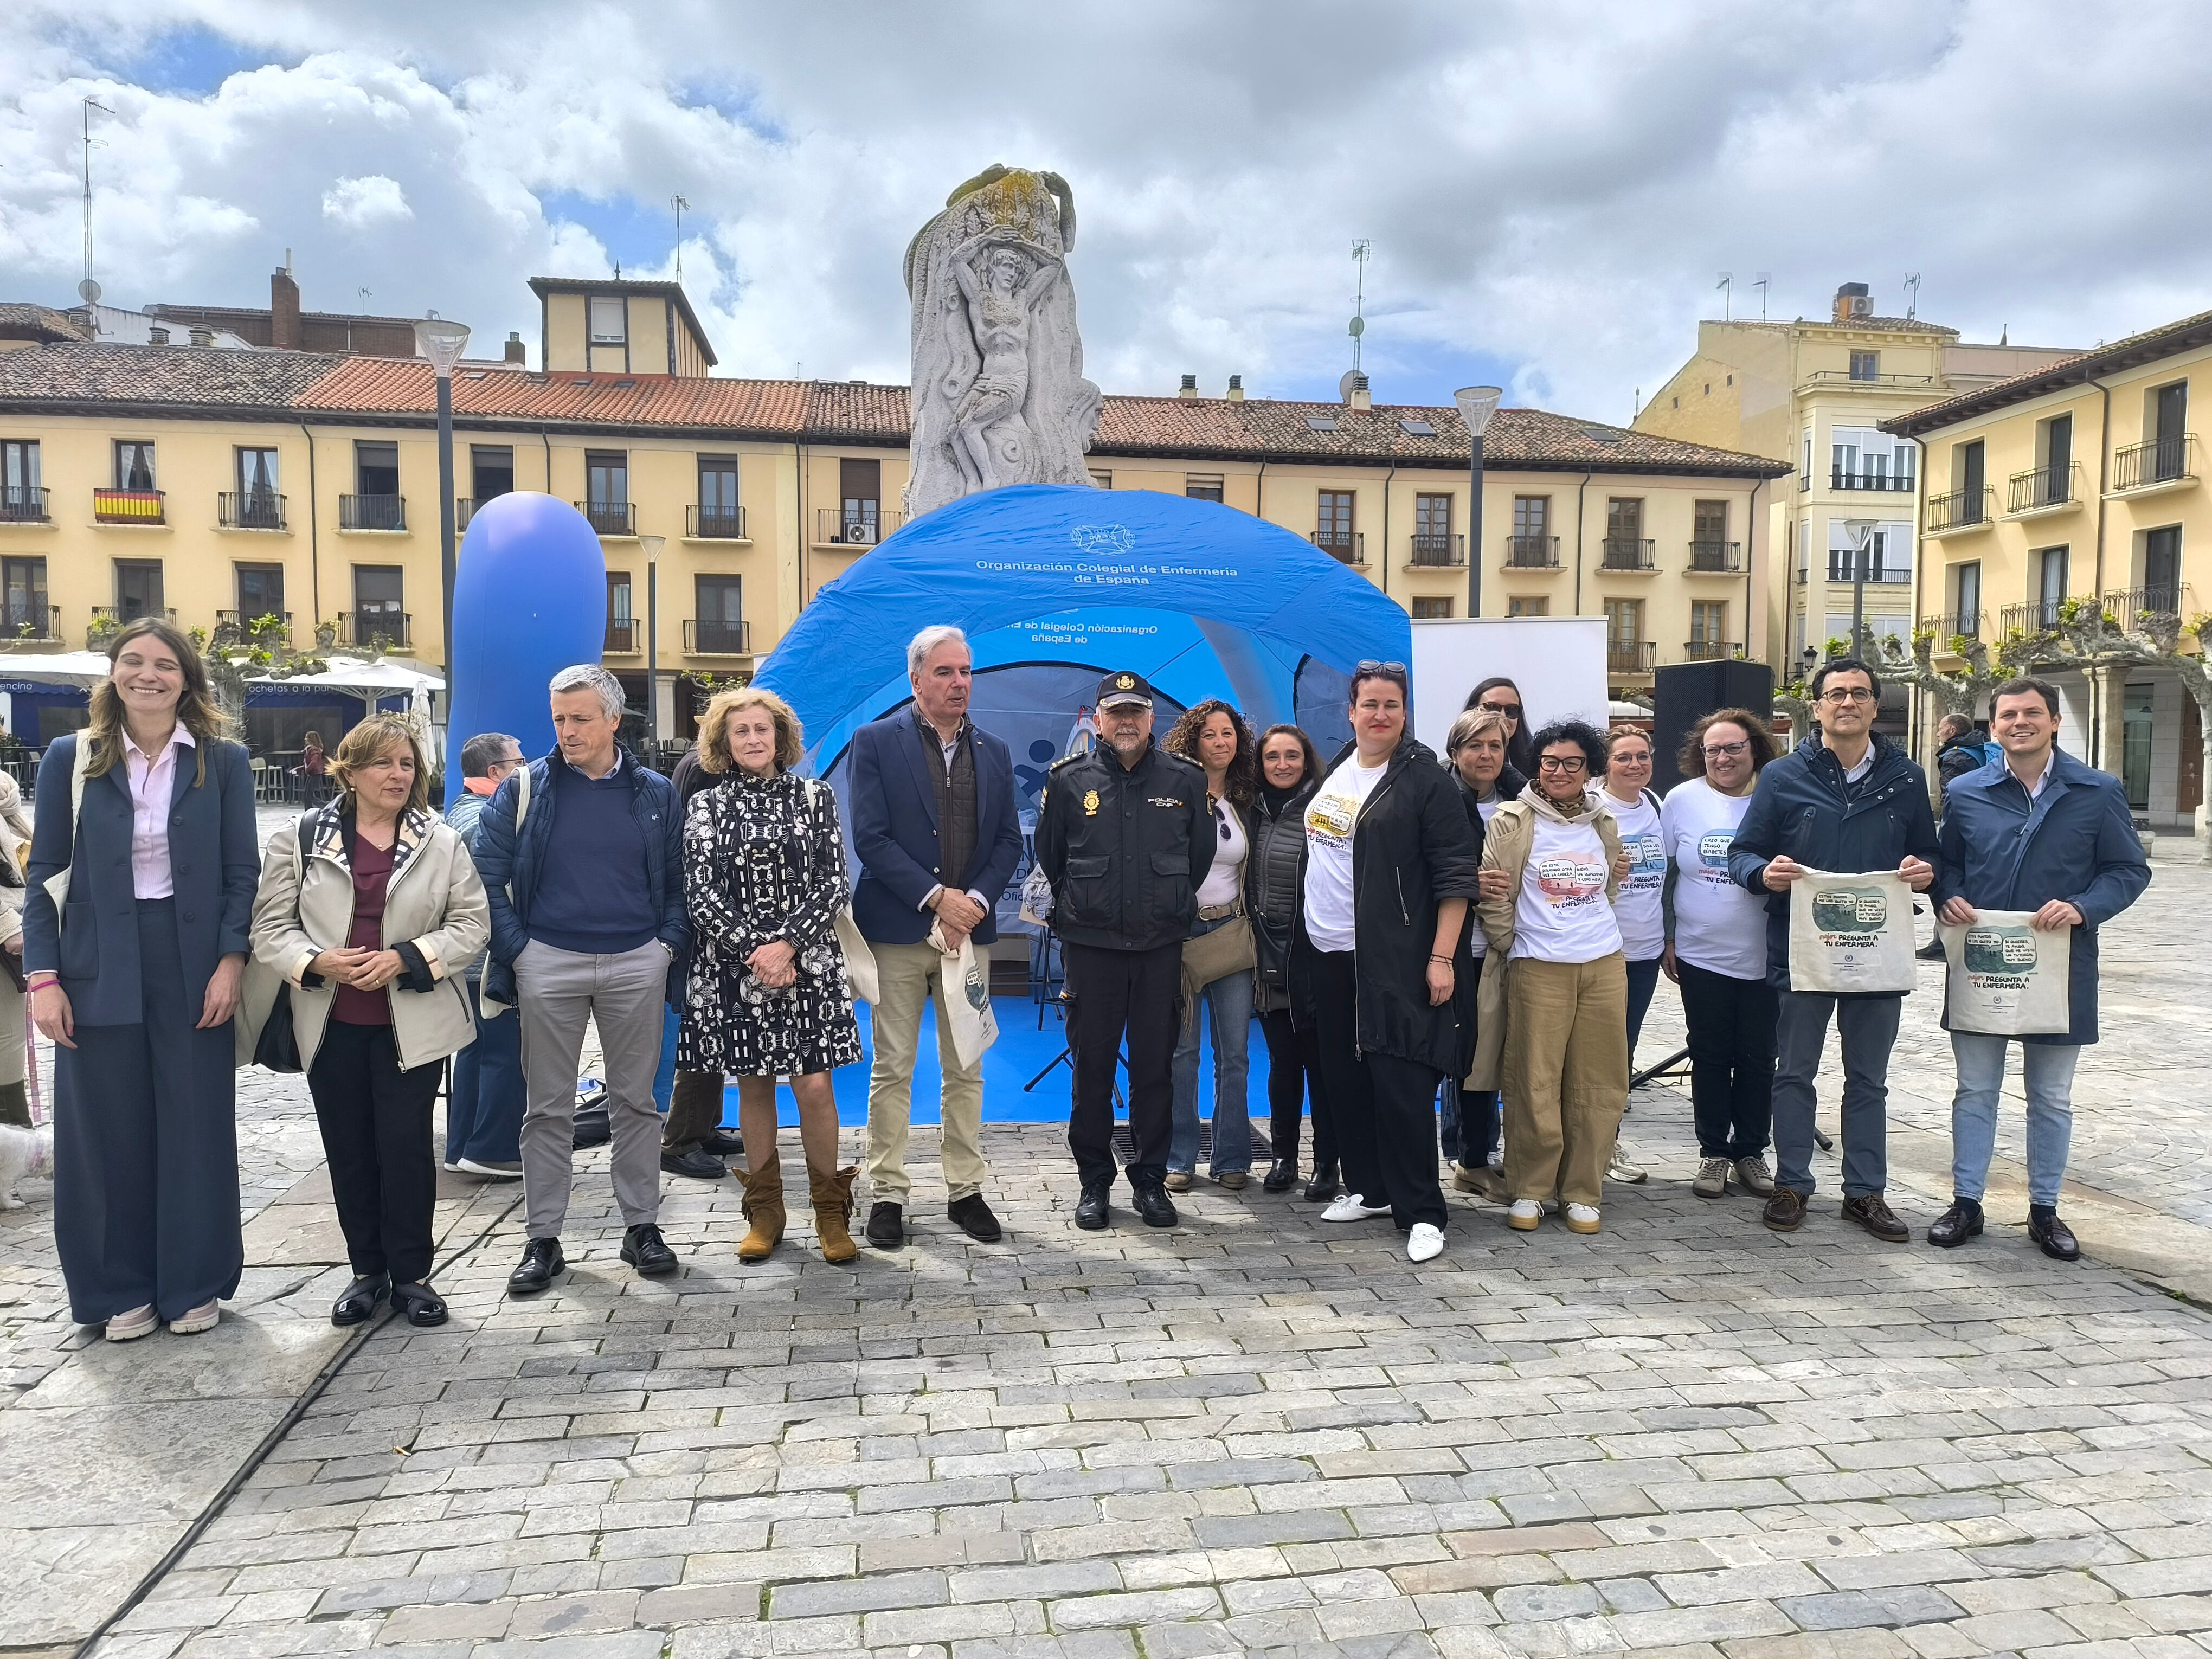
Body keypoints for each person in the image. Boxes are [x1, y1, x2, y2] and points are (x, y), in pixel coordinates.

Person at [24, 619, 258, 1340]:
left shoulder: (222, 761)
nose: (147, 675)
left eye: (163, 664)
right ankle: (115, 1289)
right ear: (113, 673)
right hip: (95, 962)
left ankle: (192, 1283)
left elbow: (240, 872)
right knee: (103, 1132)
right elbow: (44, 873)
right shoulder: (72, 757)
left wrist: (231, 960)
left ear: (187, 679)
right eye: (133, 661)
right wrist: (43, 977)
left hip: (192, 963)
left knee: (195, 1126)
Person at [251, 717, 489, 1328]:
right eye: (383, 763)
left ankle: (411, 1276)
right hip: (329, 1022)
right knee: (349, 1150)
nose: (398, 775)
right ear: (350, 771)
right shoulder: (300, 839)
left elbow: (471, 925)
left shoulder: (442, 843)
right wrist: (316, 960)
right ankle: (366, 1272)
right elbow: (270, 930)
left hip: (412, 1023)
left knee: (406, 1149)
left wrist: (408, 958)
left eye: (407, 764)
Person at [474, 664, 690, 1295]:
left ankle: (641, 1227)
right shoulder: (523, 791)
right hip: (549, 961)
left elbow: (677, 879)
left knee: (637, 1104)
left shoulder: (655, 792)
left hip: (636, 961)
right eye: (559, 719)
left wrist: (666, 946)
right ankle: (543, 1239)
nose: (567, 731)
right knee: (546, 1109)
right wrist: (521, 951)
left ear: (614, 721)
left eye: (580, 719)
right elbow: (485, 877)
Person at [1929, 677, 2149, 1261]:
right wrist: (1946, 895)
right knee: (1974, 1090)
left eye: (2031, 713)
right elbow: (1946, 862)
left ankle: (2045, 1209)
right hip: (1982, 966)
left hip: (2059, 966)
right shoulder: (1968, 791)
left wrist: (2083, 907)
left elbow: (2128, 871)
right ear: (1993, 726)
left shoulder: (2097, 791)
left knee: (2051, 1096)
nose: (2018, 723)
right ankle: (1966, 1202)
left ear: (2054, 721)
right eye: (2007, 715)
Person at [1729, 657, 1938, 1241]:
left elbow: (1933, 853)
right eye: (1836, 694)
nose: (1848, 703)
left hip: (1879, 950)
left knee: (1868, 1078)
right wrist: (1760, 872)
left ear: (1875, 706)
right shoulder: (1782, 776)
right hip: (1802, 951)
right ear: (1817, 706)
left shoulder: (1906, 777)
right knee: (1794, 1072)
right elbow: (1743, 852)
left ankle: (1865, 1193)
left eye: (1860, 694)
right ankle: (1794, 1183)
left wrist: (1926, 870)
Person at [848, 626, 1024, 1248]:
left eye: (966, 672)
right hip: (898, 931)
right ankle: (887, 1193)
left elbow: (1007, 840)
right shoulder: (875, 742)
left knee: (966, 1064)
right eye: (946, 672)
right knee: (893, 1067)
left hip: (966, 937)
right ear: (917, 679)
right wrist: (937, 898)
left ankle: (965, 1190)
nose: (959, 683)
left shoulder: (995, 751)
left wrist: (972, 902)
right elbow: (870, 838)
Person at [1298, 661, 1480, 1262]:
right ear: (1351, 711)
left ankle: (1422, 1210)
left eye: (1391, 705)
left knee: (1400, 1082)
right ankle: (1372, 1188)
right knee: (1344, 1078)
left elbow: (1457, 877)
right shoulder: (1339, 771)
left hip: (1396, 955)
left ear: (1406, 714)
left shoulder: (1428, 781)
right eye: (1369, 703)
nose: (1380, 714)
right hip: (1328, 951)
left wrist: (1441, 958)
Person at [679, 686, 866, 1263]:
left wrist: (785, 947)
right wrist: (754, 952)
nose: (754, 740)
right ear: (724, 744)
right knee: (754, 1085)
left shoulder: (816, 797)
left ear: (781, 738)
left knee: (814, 1085)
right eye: (741, 732)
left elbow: (835, 881)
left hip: (807, 962)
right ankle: (765, 1211)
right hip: (734, 967)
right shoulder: (706, 806)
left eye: (763, 730)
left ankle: (831, 1211)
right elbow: (698, 891)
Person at [1034, 671, 1212, 1231]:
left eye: (1137, 711)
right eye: (1118, 712)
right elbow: (1052, 856)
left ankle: (1151, 1181)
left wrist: (1164, 904)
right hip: (1092, 948)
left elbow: (1200, 859)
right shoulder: (1068, 781)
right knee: (1092, 1069)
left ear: (1152, 718)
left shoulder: (1185, 780)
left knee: (1155, 1069)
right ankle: (1094, 1181)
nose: (1128, 721)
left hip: (1159, 947)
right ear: (1100, 718)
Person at [1471, 720, 1631, 1235]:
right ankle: (1532, 1188)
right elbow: (1494, 893)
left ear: (1589, 770)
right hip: (1538, 962)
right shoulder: (1512, 819)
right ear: (1537, 765)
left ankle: (1583, 1190)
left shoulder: (1602, 818)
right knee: (1533, 1080)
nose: (1559, 772)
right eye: (1550, 762)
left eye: (1572, 763)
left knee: (1599, 1079)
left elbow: (1608, 886)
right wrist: (1510, 944)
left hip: (1603, 961)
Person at [1660, 710, 1781, 1200]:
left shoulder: (1777, 799)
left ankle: (1751, 1151)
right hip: (1700, 953)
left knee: (1759, 1057)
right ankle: (1713, 1153)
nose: (1723, 758)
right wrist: (1668, 937)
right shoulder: (1682, 800)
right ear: (1700, 754)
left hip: (1767, 955)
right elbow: (1665, 873)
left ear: (1755, 750)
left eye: (1733, 748)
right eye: (1713, 749)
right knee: (1709, 1055)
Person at [1163, 698, 1259, 1192]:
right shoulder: (1173, 794)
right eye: (1210, 734)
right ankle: (1180, 1158)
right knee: (1182, 1055)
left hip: (1231, 936)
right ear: (1192, 742)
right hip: (1180, 938)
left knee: (1236, 1055)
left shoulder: (1245, 797)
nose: (1221, 742)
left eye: (1228, 733)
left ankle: (1231, 1158)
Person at [1437, 706, 1522, 1201]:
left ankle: (1480, 1157)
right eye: (1475, 746)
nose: (1486, 755)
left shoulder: (1521, 800)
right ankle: (1470, 1158)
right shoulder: (1437, 797)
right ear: (1455, 753)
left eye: (1495, 746)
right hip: (1452, 949)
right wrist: (1469, 883)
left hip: (1509, 948)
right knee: (1465, 1057)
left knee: (1492, 1057)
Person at [655, 736, 745, 1180]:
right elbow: (691, 853)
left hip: (719, 924)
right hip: (703, 925)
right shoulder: (703, 771)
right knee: (703, 1031)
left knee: (718, 1031)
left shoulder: (708, 764)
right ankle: (679, 1141)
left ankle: (705, 1127)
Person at [1247, 723, 1329, 1196]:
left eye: (1291, 756)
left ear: (1306, 759)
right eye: (1272, 757)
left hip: (1314, 955)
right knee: (1282, 1062)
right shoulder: (1250, 811)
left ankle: (1326, 1162)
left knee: (1321, 1063)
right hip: (1268, 954)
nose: (1282, 765)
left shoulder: (1324, 810)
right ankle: (1283, 1157)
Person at [443, 732, 528, 1179]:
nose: (526, 768)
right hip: (488, 959)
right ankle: (494, 1150)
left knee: (476, 1054)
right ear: (495, 773)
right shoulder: (485, 818)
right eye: (519, 762)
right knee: (504, 1054)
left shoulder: (461, 812)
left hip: (471, 959)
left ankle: (463, 1148)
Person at [1593, 728, 1664, 1187]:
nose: (1634, 765)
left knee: (1623, 1054)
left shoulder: (1657, 805)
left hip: (1645, 952)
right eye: (1623, 758)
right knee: (1592, 1054)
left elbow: (1671, 879)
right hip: (1600, 950)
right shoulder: (1592, 808)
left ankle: (1607, 1142)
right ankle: (1585, 1147)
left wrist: (1672, 940)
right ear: (1607, 764)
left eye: (1642, 756)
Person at [0, 769, 33, 1127]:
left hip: (18, 916)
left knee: (9, 1036)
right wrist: (8, 926)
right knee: (7, 1037)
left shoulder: (6, 791)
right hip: (7, 930)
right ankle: (17, 1139)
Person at [1463, 676, 1536, 781]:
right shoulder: (1446, 775)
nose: (1502, 716)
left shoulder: (1536, 768)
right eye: (1492, 707)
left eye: (1511, 710)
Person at [298, 729, 329, 806]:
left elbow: (314, 762)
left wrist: (308, 769)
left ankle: (325, 806)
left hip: (315, 773)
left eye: (307, 738)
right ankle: (308, 811)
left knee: (309, 796)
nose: (305, 740)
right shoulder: (310, 749)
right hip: (313, 773)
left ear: (311, 740)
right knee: (307, 795)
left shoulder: (314, 749)